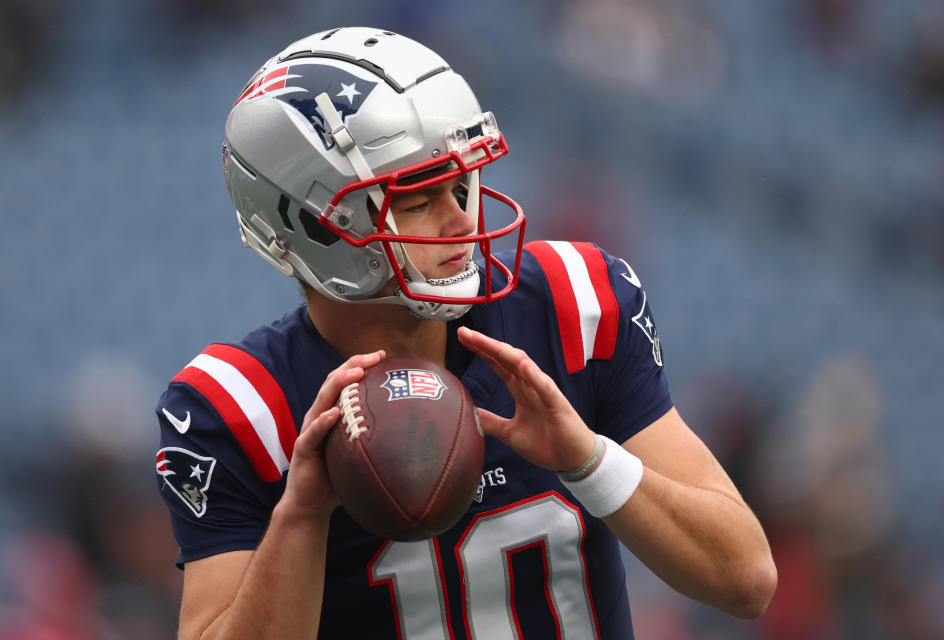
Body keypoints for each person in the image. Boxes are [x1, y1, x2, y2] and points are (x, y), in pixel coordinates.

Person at [154, 27, 777, 639]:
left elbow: (746, 579)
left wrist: (587, 459)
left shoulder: (571, 303)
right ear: (315, 224)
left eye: (460, 184)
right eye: (419, 200)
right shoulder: (239, 406)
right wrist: (303, 514)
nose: (461, 220)